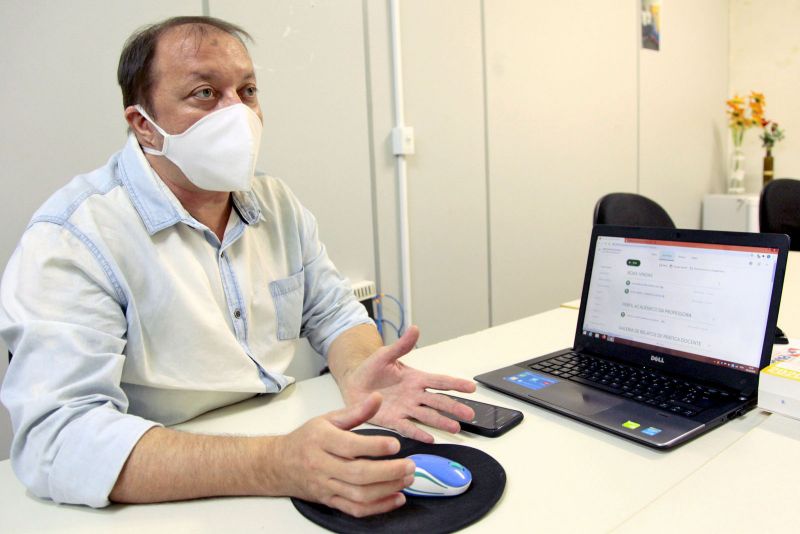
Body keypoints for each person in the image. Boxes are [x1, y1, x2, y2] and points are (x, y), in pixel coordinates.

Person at [0, 16, 475, 518]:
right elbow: (57, 439)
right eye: (205, 93)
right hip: (161, 496)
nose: (238, 114)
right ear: (144, 124)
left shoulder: (275, 202)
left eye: (246, 91)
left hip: (284, 453)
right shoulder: (74, 237)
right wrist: (273, 464)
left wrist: (359, 369)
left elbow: (335, 314)